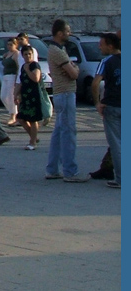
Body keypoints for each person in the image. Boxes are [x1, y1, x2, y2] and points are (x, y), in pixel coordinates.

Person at [44, 18, 86, 182]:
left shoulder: (58, 50)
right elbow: (74, 74)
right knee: (68, 133)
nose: (70, 34)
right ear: (60, 33)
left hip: (61, 93)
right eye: (68, 31)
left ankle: (52, 169)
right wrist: (74, 67)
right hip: (66, 93)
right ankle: (70, 171)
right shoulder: (58, 51)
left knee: (59, 133)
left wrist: (72, 67)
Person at [91, 32, 120, 189]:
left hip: (112, 106)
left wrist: (97, 102)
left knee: (116, 144)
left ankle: (121, 179)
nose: (99, 47)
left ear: (110, 46)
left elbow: (95, 84)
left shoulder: (107, 61)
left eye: (101, 44)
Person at [14, 45, 44, 150]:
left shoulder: (34, 65)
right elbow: (20, 82)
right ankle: (34, 137)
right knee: (21, 118)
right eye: (25, 54)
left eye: (29, 54)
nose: (27, 56)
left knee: (33, 119)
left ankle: (32, 142)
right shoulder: (23, 66)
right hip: (25, 96)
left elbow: (36, 78)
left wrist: (28, 70)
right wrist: (15, 94)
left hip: (33, 96)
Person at [0, 38, 20, 126]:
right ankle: (12, 112)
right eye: (8, 45)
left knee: (11, 96)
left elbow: (18, 66)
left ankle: (13, 116)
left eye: (11, 45)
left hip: (12, 76)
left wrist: (17, 78)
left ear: (16, 45)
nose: (9, 46)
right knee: (3, 96)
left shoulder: (16, 54)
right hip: (5, 76)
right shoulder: (7, 54)